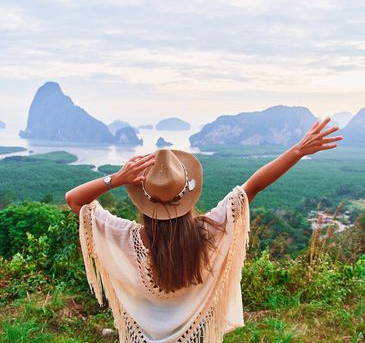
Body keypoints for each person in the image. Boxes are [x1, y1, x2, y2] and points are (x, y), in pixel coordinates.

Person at [65, 116, 343, 343]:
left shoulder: (125, 238)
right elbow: (252, 187)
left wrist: (116, 178)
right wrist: (298, 150)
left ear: (143, 199)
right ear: (186, 196)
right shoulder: (208, 232)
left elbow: (74, 200)